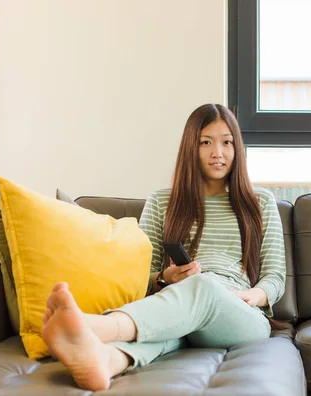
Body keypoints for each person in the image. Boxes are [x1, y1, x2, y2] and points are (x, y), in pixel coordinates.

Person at [40, 104, 286, 391]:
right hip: (181, 305)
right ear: (190, 148)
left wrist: (250, 296)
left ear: (237, 148)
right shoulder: (161, 202)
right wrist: (165, 278)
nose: (217, 152)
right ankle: (107, 360)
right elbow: (140, 277)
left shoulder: (261, 202)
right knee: (171, 323)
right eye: (206, 142)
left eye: (227, 142)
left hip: (241, 316)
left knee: (202, 287)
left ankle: (94, 328)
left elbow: (275, 277)